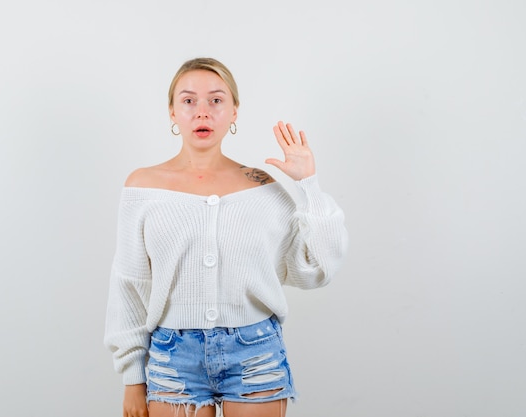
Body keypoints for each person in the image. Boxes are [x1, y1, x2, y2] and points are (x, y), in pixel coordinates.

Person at [104, 57, 348, 417]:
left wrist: (307, 184)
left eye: (216, 100)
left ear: (234, 112)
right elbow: (128, 283)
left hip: (254, 352)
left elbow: (318, 268)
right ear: (172, 112)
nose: (202, 112)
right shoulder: (142, 188)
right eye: (188, 101)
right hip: (173, 356)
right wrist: (132, 379)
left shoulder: (263, 188)